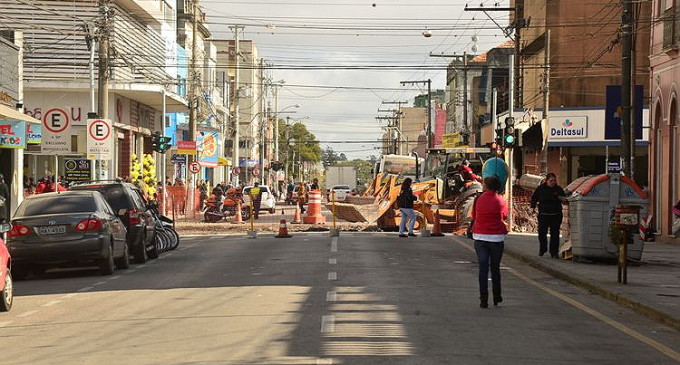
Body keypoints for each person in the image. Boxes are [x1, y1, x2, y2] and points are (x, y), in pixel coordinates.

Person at [472, 176, 508, 308]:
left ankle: (483, 299)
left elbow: (474, 216)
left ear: (486, 186)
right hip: (496, 238)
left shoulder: (478, 199)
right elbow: (504, 215)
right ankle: (497, 296)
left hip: (480, 236)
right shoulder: (501, 200)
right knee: (495, 268)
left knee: (483, 268)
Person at [530, 172, 566, 259]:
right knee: (542, 233)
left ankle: (554, 252)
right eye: (551, 181)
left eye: (554, 180)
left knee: (555, 234)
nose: (553, 182)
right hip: (543, 214)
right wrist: (533, 207)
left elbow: (564, 199)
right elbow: (534, 198)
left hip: (556, 215)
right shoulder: (541, 189)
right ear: (546, 181)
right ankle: (543, 249)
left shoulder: (558, 189)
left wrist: (563, 199)